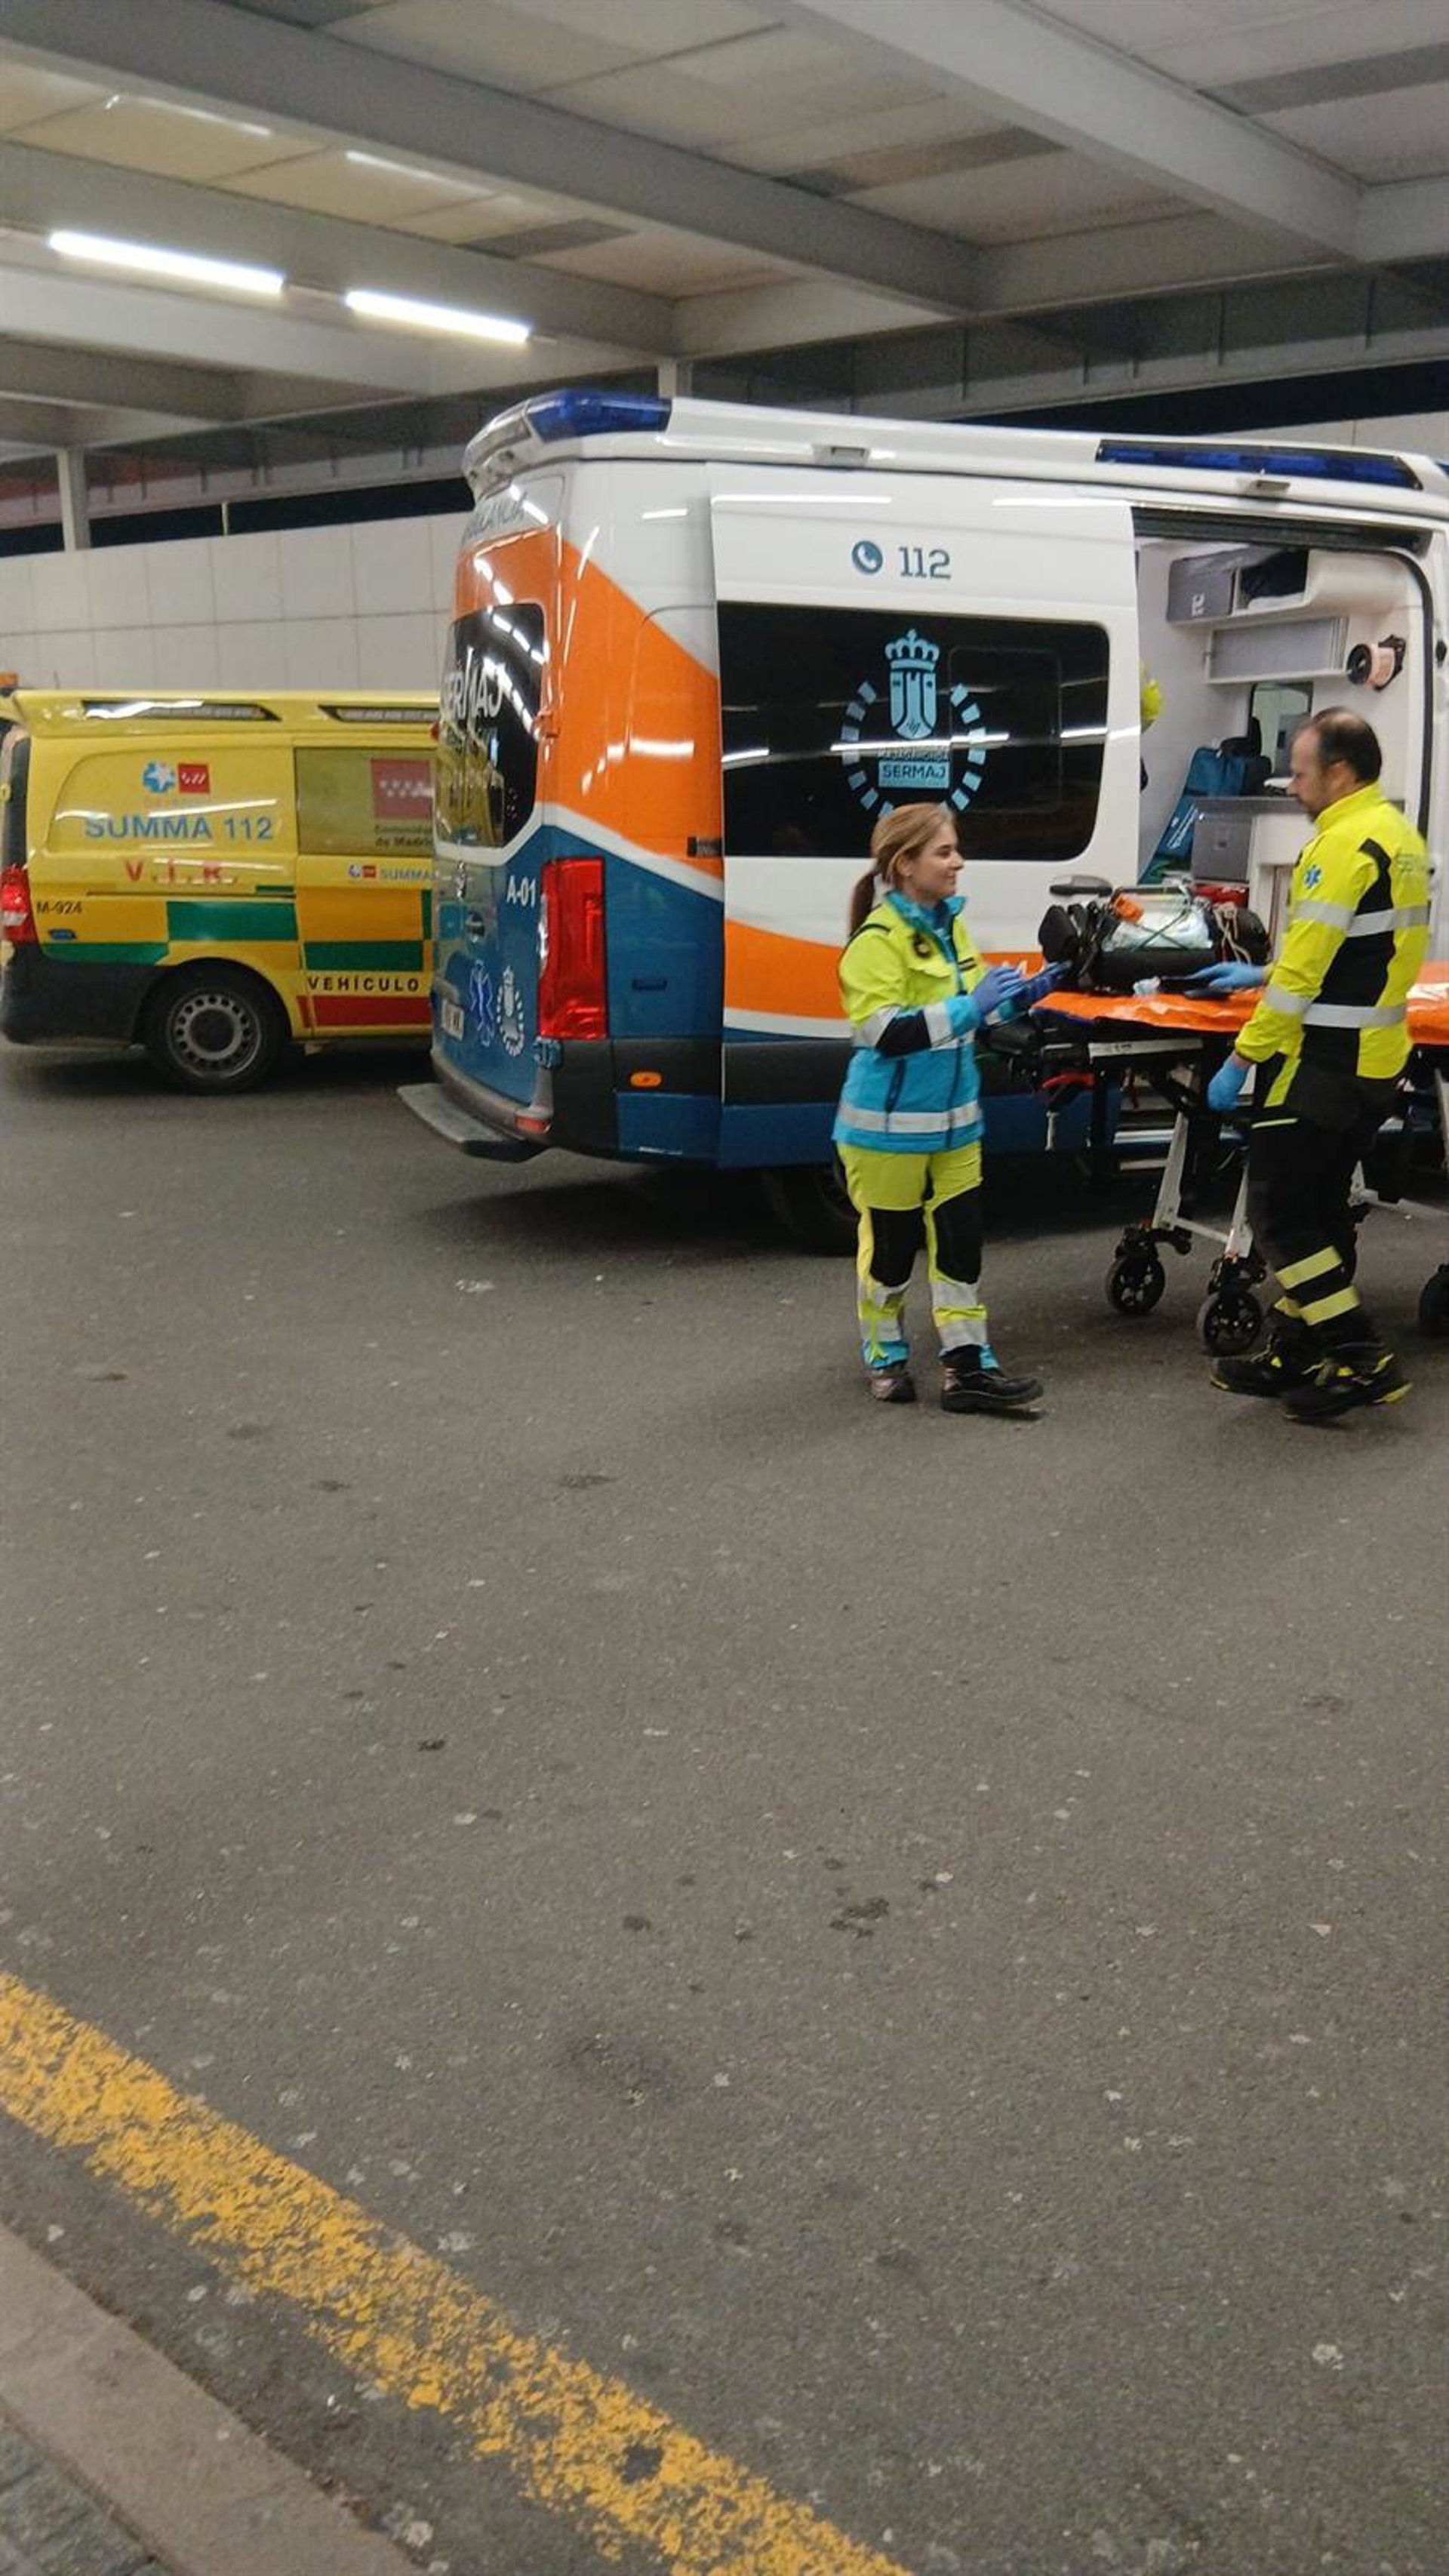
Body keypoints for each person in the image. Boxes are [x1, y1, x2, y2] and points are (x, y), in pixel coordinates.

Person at [1188, 707, 1430, 1422]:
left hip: (1320, 1063)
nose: (1291, 786)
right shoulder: (1399, 837)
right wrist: (1262, 971)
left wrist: (1243, 1056)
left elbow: (1303, 978)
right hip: (1374, 1063)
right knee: (1321, 1211)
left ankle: (1360, 1356)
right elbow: (1356, 952)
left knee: (1279, 1213)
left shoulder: (1341, 844)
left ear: (1340, 772)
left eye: (1300, 773)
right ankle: (1294, 1348)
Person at [833, 802, 1063, 1412]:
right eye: (944, 852)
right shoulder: (875, 942)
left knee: (962, 1248)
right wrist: (972, 1005)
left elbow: (977, 1012)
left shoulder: (950, 927)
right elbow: (887, 1032)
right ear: (905, 864)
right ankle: (885, 1356)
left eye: (956, 849)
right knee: (890, 1254)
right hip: (887, 1132)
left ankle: (968, 1368)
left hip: (956, 1124)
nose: (959, 861)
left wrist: (1029, 995)